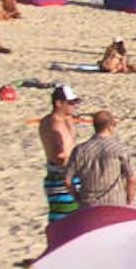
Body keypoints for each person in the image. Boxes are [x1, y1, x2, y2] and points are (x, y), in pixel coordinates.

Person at [67, 110, 135, 209]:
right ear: (110, 127)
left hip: (89, 204)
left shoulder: (80, 150)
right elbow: (131, 179)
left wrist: (77, 198)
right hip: (115, 203)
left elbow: (67, 180)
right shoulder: (119, 149)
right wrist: (129, 200)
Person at [40, 85, 83, 229]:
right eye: (71, 103)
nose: (74, 106)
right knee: (63, 222)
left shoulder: (66, 119)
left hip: (70, 174)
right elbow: (60, 156)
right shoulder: (53, 124)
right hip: (60, 177)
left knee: (77, 218)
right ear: (59, 103)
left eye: (75, 102)